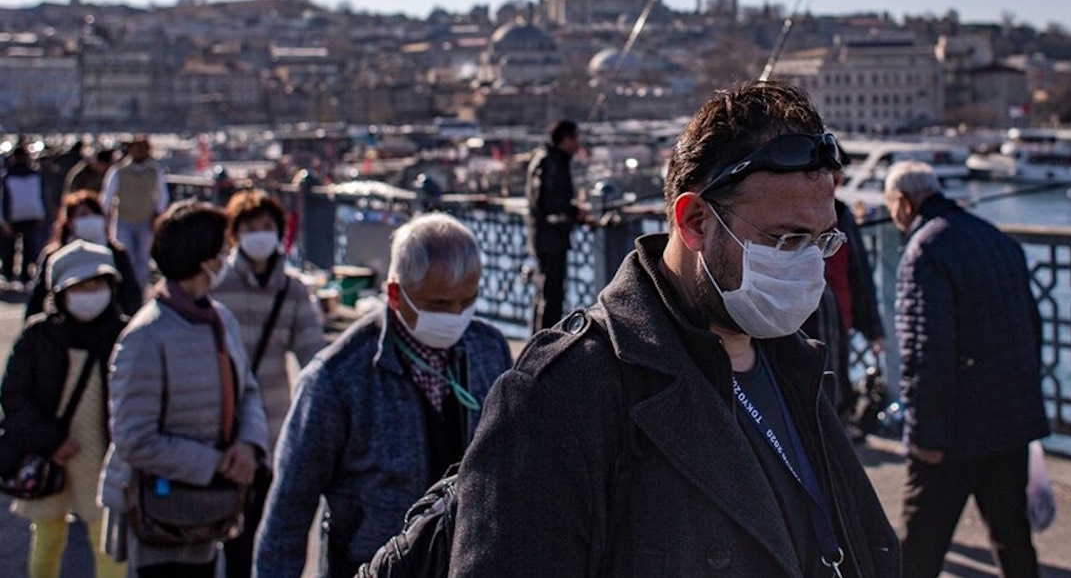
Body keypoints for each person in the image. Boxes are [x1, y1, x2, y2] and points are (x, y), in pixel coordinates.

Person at [451, 81, 899, 577]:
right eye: (785, 239)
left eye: (821, 241)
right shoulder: (562, 397)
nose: (807, 264)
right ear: (694, 222)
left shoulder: (798, 364)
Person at [255, 212, 511, 578]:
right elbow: (289, 512)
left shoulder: (488, 349)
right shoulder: (337, 378)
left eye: (467, 302)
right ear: (395, 293)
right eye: (439, 305)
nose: (456, 316)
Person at [883, 161, 1049, 578]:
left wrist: (924, 434)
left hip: (954, 430)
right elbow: (1031, 329)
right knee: (1013, 539)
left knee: (920, 547)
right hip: (1010, 421)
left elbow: (925, 351)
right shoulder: (996, 238)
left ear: (903, 203)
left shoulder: (924, 249)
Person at [99, 200, 269, 578]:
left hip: (214, 510)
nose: (227, 256)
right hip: (161, 515)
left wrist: (249, 445)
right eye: (221, 249)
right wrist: (216, 465)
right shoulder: (145, 337)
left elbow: (248, 393)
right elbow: (134, 438)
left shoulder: (220, 319)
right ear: (204, 260)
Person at [209, 188, 326, 578]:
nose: (260, 234)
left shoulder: (292, 289)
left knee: (261, 533)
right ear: (235, 233)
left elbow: (314, 355)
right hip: (219, 424)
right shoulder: (215, 285)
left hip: (272, 429)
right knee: (217, 533)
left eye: (267, 226)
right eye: (251, 227)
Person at [1, 240, 128, 578]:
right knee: (47, 539)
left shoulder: (125, 334)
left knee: (106, 546)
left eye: (98, 285)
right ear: (59, 291)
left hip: (102, 454)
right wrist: (50, 439)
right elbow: (14, 398)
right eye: (80, 286)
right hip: (49, 453)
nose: (91, 293)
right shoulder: (37, 336)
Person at [826, 169, 887, 417]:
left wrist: (874, 330)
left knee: (836, 393)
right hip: (803, 322)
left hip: (839, 318)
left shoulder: (843, 214)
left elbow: (859, 271)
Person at [26, 190, 143, 319]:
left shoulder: (117, 254)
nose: (90, 220)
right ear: (70, 222)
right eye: (83, 215)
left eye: (95, 214)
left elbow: (131, 294)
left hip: (108, 325)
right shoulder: (53, 256)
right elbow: (37, 298)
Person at [525, 119, 587, 332]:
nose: (578, 144)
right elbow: (545, 201)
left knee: (546, 292)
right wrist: (573, 211)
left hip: (548, 236)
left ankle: (539, 340)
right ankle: (545, 346)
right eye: (575, 138)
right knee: (551, 294)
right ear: (565, 139)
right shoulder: (550, 162)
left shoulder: (548, 159)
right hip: (549, 238)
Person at [101, 135, 169, 291]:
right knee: (126, 257)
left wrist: (157, 214)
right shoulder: (119, 171)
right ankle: (127, 289)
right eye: (136, 148)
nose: (139, 151)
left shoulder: (155, 171)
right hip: (123, 220)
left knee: (143, 259)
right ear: (130, 150)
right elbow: (107, 196)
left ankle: (140, 289)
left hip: (146, 220)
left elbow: (162, 196)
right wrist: (105, 217)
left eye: (143, 148)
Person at [1, 145, 47, 287]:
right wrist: (42, 214)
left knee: (10, 247)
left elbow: (3, 199)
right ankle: (25, 276)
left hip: (12, 216)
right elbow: (42, 196)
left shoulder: (7, 176)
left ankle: (9, 273)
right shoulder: (35, 175)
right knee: (28, 246)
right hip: (32, 214)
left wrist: (3, 220)